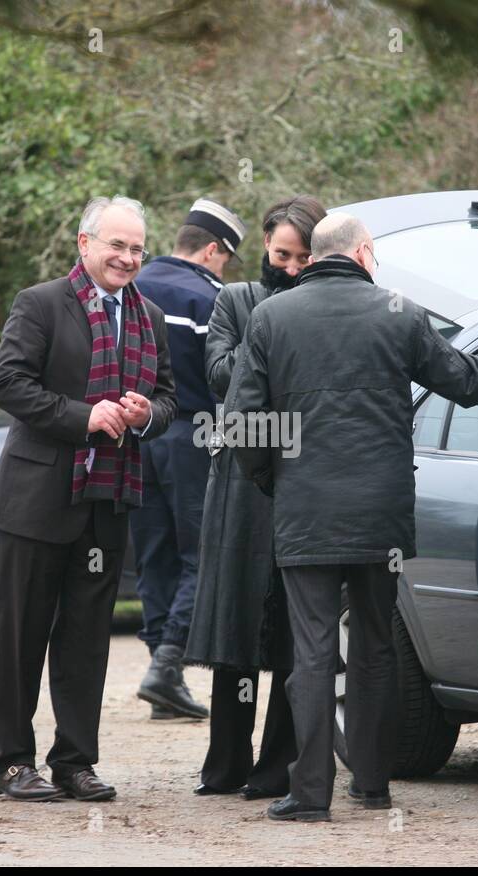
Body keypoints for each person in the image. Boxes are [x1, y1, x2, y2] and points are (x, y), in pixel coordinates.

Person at [231, 213, 478, 821]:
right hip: (380, 511)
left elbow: (245, 422)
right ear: (364, 252)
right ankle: (373, 785)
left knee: (312, 650)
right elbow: (468, 381)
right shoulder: (399, 312)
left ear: (314, 256)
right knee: (377, 645)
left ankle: (309, 794)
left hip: (306, 511)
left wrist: (274, 479)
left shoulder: (270, 318)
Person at [0, 195, 177, 803]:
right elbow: (8, 383)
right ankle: (10, 763)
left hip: (107, 499)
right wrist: (82, 417)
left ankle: (74, 762)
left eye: (137, 248)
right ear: (84, 243)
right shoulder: (40, 303)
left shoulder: (152, 317)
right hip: (38, 498)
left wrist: (147, 415)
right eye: (116, 245)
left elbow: (170, 399)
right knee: (22, 638)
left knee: (87, 640)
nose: (127, 257)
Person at [183, 195, 327, 799]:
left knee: (296, 630)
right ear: (265, 245)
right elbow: (218, 376)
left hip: (304, 475)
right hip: (241, 477)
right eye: (281, 254)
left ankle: (277, 771)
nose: (290, 266)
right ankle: (225, 765)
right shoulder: (235, 300)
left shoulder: (326, 308)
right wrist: (274, 340)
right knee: (236, 620)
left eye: (302, 257)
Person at [130, 199, 249, 720]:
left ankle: (163, 670)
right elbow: (227, 377)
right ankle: (169, 662)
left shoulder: (130, 287)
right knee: (201, 552)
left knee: (152, 554)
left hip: (134, 432)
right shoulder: (210, 297)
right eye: (225, 259)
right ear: (212, 250)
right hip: (191, 434)